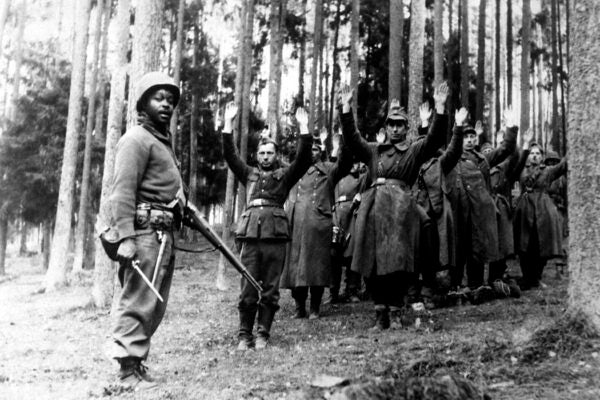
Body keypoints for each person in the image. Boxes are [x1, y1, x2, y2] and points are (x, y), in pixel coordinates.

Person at [339, 82, 449, 330]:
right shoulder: (374, 151)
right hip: (374, 210)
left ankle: (397, 312)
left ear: (406, 128)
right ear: (386, 127)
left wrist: (440, 109)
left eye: (400, 125)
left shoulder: (413, 151)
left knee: (399, 264)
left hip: (401, 212)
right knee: (373, 264)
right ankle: (380, 316)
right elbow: (352, 139)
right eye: (392, 124)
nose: (396, 129)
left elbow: (434, 139)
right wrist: (345, 109)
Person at [107, 71, 184, 390]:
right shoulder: (136, 139)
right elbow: (121, 192)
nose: (165, 105)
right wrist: (126, 238)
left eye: (170, 100)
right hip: (143, 234)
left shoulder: (161, 143)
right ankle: (126, 373)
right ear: (143, 104)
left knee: (154, 303)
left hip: (162, 234)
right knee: (138, 299)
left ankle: (135, 363)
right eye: (158, 98)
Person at [221, 102, 313, 350]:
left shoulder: (285, 175)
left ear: (276, 155)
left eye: (270, 153)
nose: (265, 157)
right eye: (261, 153)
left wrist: (304, 128)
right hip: (251, 236)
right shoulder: (248, 174)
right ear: (256, 156)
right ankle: (244, 335)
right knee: (248, 287)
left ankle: (263, 333)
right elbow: (230, 155)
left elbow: (304, 159)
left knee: (271, 288)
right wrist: (228, 125)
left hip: (275, 237)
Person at [446, 110, 518, 304]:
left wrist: (511, 128)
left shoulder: (484, 159)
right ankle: (455, 286)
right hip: (458, 209)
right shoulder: (452, 158)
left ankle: (476, 285)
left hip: (479, 210)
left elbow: (505, 150)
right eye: (465, 137)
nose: (469, 140)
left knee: (476, 247)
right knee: (458, 248)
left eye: (472, 137)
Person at [280, 132, 352, 319]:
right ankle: (299, 307)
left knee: (316, 267)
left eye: (315, 149)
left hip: (318, 225)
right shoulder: (294, 169)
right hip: (295, 225)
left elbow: (344, 165)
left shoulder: (328, 169)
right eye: (308, 148)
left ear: (321, 152)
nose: (311, 152)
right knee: (296, 267)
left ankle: (315, 307)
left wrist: (342, 143)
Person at [415, 106, 469, 306]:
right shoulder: (411, 163)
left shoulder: (439, 163)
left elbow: (454, 151)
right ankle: (418, 292)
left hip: (437, 215)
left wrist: (459, 126)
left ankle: (437, 293)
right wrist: (423, 123)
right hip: (416, 213)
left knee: (438, 254)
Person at [486, 128, 534, 298]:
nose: (502, 147)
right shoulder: (486, 164)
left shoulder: (508, 169)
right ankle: (489, 280)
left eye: (503, 143)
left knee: (504, 245)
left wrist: (525, 145)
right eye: (499, 143)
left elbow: (518, 161)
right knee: (489, 244)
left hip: (503, 209)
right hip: (487, 210)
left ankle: (499, 276)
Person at [513, 145, 567, 289]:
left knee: (540, 245)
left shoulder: (548, 171)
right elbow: (515, 165)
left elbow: (562, 166)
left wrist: (573, 148)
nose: (535, 156)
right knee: (524, 245)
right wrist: (524, 149)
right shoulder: (521, 169)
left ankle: (536, 277)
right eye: (532, 153)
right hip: (524, 209)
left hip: (543, 210)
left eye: (537, 153)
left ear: (542, 156)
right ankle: (526, 277)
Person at [329, 152, 368, 304]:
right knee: (334, 255)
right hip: (336, 215)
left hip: (353, 216)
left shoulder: (362, 178)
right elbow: (332, 169)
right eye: (351, 163)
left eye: (357, 163)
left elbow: (372, 172)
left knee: (352, 255)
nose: (354, 166)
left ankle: (351, 290)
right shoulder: (338, 176)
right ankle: (333, 292)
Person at [545, 150, 568, 276]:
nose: (551, 164)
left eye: (554, 162)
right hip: (545, 208)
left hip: (558, 209)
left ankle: (560, 267)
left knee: (559, 239)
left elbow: (565, 196)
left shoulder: (561, 180)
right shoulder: (544, 175)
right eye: (549, 162)